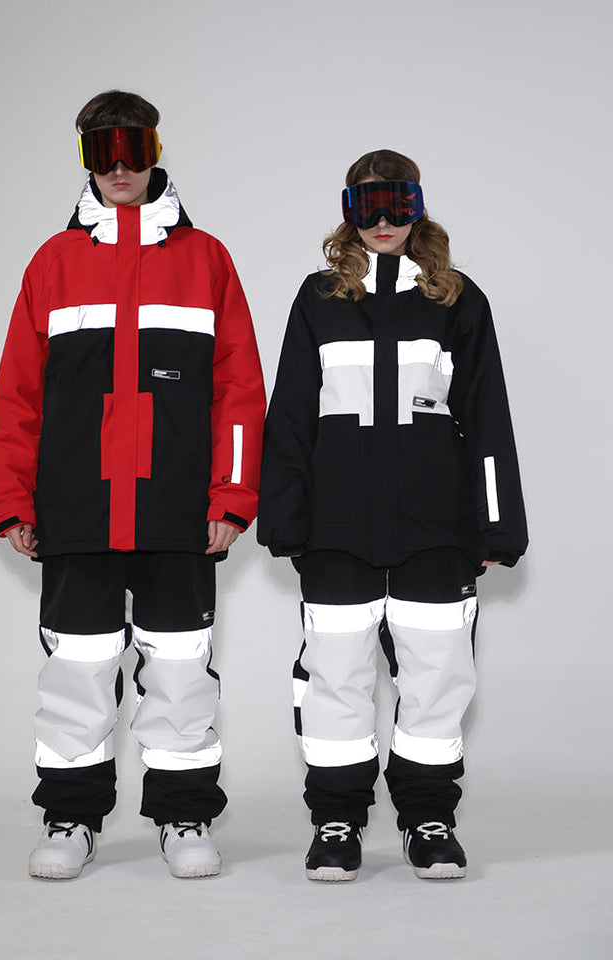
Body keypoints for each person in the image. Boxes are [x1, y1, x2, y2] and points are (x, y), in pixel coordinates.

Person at [0, 90, 266, 880]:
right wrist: (9, 498)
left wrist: (232, 496)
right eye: (101, 151)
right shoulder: (53, 262)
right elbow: (17, 394)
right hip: (77, 507)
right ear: (85, 159)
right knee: (77, 669)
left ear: (154, 152)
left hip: (177, 508)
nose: (118, 167)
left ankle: (183, 816)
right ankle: (71, 817)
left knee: (180, 670)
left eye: (132, 149)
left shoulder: (206, 259)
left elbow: (240, 391)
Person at [257, 150, 527, 881]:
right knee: (336, 675)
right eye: (367, 205)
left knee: (438, 674)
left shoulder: (456, 300)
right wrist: (285, 515)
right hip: (336, 527)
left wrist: (497, 522)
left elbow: (488, 416)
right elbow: (290, 416)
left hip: (436, 526)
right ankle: (337, 820)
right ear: (348, 210)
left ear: (418, 206)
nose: (383, 221)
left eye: (397, 203)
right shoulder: (319, 298)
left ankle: (428, 818)